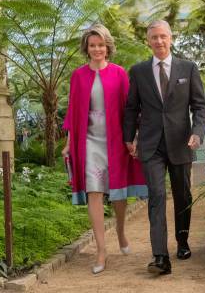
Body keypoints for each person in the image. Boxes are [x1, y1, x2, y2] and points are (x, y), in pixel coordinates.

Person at [123, 20, 205, 275]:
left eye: (163, 37)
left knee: (183, 195)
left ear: (171, 38)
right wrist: (130, 137)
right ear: (148, 41)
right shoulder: (138, 72)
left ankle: (182, 241)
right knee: (157, 197)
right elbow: (131, 108)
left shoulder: (188, 68)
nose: (158, 41)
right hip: (151, 146)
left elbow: (200, 106)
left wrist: (197, 132)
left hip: (182, 142)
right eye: (154, 38)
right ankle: (160, 256)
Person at [62, 24, 148, 275]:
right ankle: (101, 249)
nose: (97, 49)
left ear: (107, 47)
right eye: (92, 45)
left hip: (115, 140)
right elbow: (73, 111)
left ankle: (120, 230)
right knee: (95, 191)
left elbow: (130, 110)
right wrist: (69, 142)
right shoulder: (78, 76)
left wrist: (134, 138)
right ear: (86, 48)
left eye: (101, 45)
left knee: (118, 193)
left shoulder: (120, 73)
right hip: (88, 142)